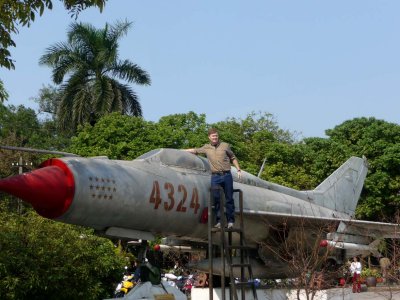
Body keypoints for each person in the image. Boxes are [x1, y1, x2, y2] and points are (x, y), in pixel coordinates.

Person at [186, 128, 242, 229]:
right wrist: (181, 150)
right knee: (216, 199)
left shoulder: (225, 145)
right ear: (209, 137)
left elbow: (232, 157)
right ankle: (219, 221)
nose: (215, 138)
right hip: (215, 177)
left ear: (218, 136)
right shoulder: (206, 147)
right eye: (213, 136)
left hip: (227, 175)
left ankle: (230, 221)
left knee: (229, 198)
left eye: (216, 136)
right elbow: (195, 150)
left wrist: (238, 170)